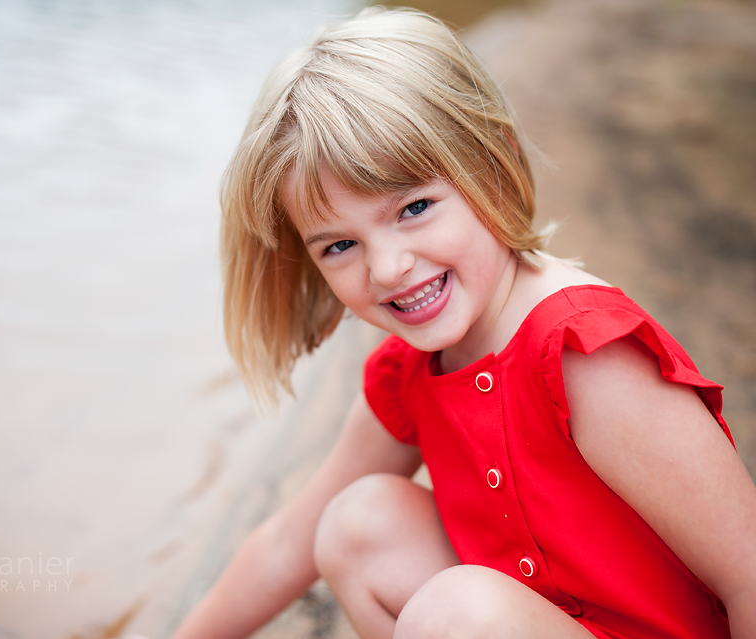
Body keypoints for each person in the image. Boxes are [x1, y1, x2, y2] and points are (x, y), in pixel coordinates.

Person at [138, 7, 756, 638]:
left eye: (415, 207)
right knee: (358, 524)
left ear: (491, 164)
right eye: (339, 246)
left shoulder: (587, 353)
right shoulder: (412, 372)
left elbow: (748, 575)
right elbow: (288, 541)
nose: (387, 267)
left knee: (453, 611)